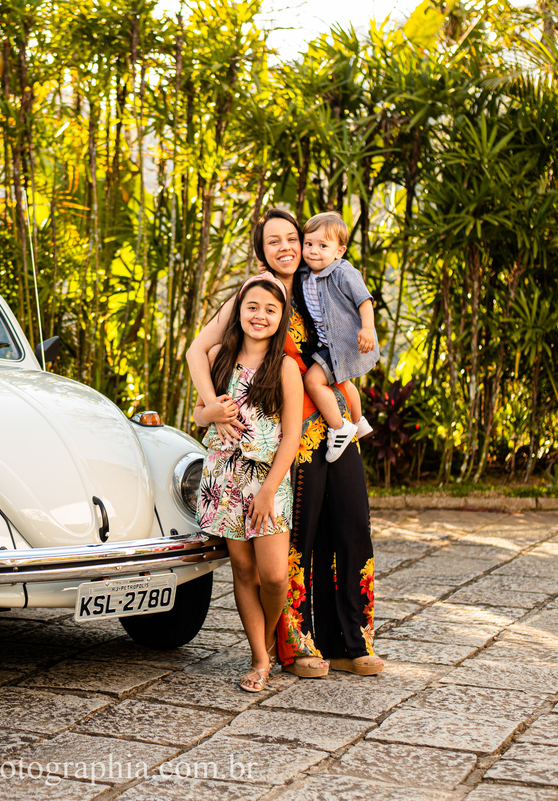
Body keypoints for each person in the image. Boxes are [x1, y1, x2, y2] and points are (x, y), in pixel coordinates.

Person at [251, 208, 382, 677]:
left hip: (336, 421)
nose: (287, 248)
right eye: (274, 241)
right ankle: (297, 644)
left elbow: (352, 330)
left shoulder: (320, 281)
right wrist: (209, 407)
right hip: (293, 430)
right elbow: (215, 349)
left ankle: (351, 641)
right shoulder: (260, 295)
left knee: (351, 525)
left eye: (293, 238)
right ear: (261, 251)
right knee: (300, 536)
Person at [186, 273, 303, 693]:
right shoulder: (219, 357)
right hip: (224, 478)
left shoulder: (285, 367)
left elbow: (291, 436)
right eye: (252, 306)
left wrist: (270, 490)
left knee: (273, 576)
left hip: (267, 482)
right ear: (238, 311)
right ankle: (259, 657)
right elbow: (197, 415)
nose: (260, 315)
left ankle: (268, 638)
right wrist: (211, 413)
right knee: (243, 569)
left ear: (281, 318)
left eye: (270, 310)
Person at [298, 211, 378, 462]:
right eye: (309, 244)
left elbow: (364, 300)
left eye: (323, 246)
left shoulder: (343, 272)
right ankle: (358, 419)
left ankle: (340, 427)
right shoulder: (304, 273)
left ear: (339, 251)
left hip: (343, 345)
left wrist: (367, 329)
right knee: (345, 382)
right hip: (326, 343)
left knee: (313, 381)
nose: (313, 251)